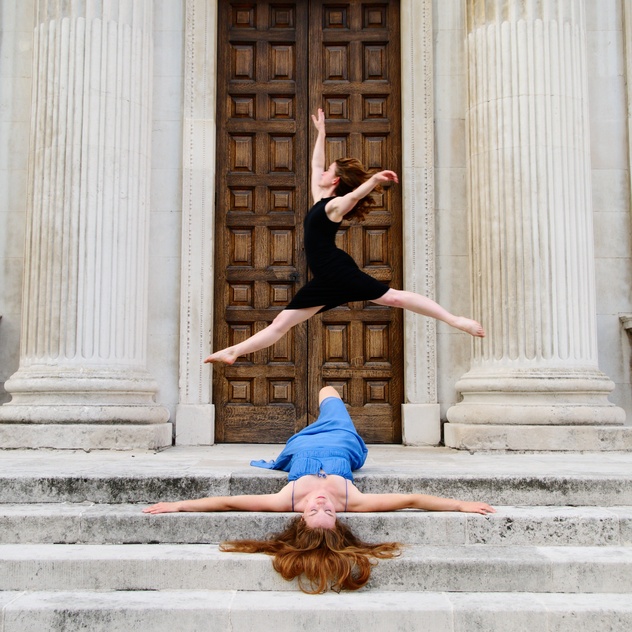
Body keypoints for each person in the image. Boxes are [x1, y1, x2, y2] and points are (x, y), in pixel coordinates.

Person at [144, 386, 495, 593]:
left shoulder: (287, 499)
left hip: (300, 446)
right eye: (329, 512)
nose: (323, 503)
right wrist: (460, 505)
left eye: (315, 511)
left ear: (302, 518)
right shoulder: (352, 500)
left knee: (311, 411)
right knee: (329, 394)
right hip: (342, 439)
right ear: (338, 518)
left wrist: (180, 505)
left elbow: (227, 503)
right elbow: (412, 500)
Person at [205, 108, 484, 366]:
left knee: (394, 298)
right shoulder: (320, 198)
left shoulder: (335, 206)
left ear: (335, 180)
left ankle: (456, 320)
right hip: (327, 279)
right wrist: (321, 134)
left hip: (338, 273)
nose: (323, 172)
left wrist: (373, 181)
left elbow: (353, 197)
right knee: (282, 323)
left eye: (329, 171)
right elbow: (315, 165)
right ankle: (234, 352)